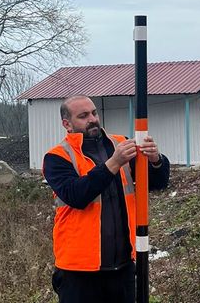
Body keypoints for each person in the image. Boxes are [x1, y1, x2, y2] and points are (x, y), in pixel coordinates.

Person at [43, 95, 170, 303]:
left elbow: (158, 183)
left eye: (94, 113)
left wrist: (156, 160)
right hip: (79, 271)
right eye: (83, 116)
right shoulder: (57, 157)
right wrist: (114, 163)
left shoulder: (120, 143)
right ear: (67, 124)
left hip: (122, 267)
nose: (92, 119)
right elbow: (77, 195)